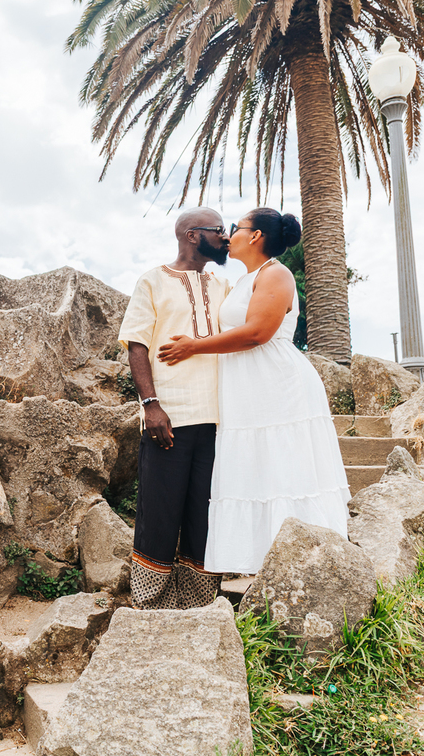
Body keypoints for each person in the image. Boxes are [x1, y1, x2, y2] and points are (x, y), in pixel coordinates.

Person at [158, 208, 350, 575]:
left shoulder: (275, 273)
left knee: (284, 466)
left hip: (277, 384)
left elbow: (258, 332)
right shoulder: (246, 280)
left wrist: (194, 346)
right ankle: (260, 563)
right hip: (249, 388)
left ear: (256, 236)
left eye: (236, 228)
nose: (229, 235)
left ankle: (305, 565)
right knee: (258, 467)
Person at [117, 207, 233, 609]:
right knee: (161, 510)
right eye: (218, 230)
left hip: (219, 420)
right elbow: (137, 345)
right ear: (190, 235)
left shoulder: (223, 286)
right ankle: (150, 601)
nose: (226, 237)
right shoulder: (152, 281)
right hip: (171, 416)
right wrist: (151, 405)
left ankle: (198, 600)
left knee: (205, 514)